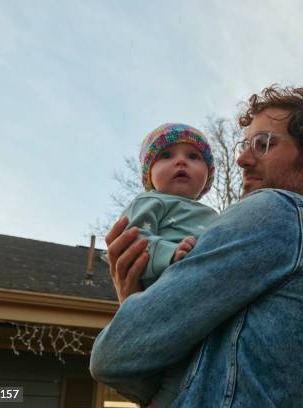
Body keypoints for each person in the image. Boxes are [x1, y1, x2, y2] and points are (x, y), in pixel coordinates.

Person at [90, 85, 303, 407]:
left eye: (262, 144)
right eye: (245, 145)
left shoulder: (279, 212)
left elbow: (112, 357)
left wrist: (131, 300)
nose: (241, 159)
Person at [119, 123, 218, 407]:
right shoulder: (151, 202)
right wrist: (170, 253)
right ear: (149, 175)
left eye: (193, 156)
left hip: (201, 307)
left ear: (207, 176)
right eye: (166, 155)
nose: (180, 161)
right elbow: (132, 241)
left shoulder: (214, 215)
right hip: (163, 298)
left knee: (187, 370)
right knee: (170, 368)